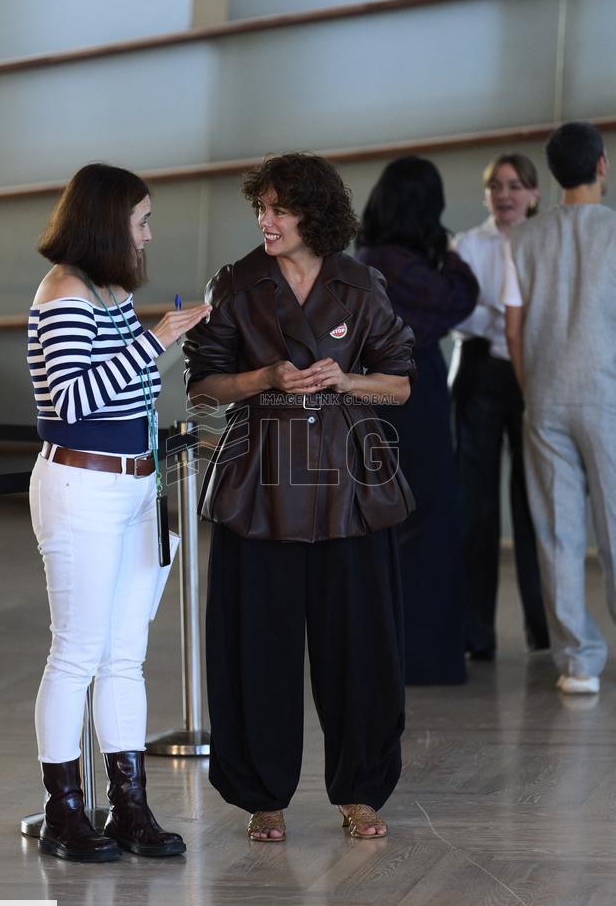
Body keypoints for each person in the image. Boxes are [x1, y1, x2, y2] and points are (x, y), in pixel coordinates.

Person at [183, 153, 416, 841]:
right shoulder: (237, 283)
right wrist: (264, 377)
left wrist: (345, 381)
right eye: (261, 207)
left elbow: (400, 383)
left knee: (362, 648)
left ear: (315, 214)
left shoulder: (361, 283)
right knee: (258, 646)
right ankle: (263, 796)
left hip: (352, 485)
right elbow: (203, 387)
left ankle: (361, 792)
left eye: (279, 208)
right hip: (262, 482)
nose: (266, 220)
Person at [27, 163, 210, 861]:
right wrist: (156, 339)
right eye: (142, 220)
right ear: (108, 222)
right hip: (83, 487)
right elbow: (73, 404)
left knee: (123, 656)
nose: (148, 234)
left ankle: (128, 807)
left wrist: (165, 341)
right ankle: (63, 811)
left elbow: (125, 388)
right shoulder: (65, 291)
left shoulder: (105, 291)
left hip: (134, 486)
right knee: (76, 653)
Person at [355, 156, 479, 684]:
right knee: (432, 516)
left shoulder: (365, 258)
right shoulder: (403, 264)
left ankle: (383, 650)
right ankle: (426, 655)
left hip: (374, 394)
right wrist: (450, 251)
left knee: (387, 517)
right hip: (416, 390)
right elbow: (461, 298)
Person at [503, 122, 615, 695]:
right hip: (608, 393)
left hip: (543, 394)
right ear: (601, 166)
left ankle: (578, 662)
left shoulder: (522, 239)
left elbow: (514, 330)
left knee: (558, 531)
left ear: (552, 175)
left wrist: (532, 389)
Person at [450, 154, 549, 660]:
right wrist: (503, 316)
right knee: (475, 508)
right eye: (496, 186)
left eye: (515, 186)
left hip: (537, 373)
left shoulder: (548, 241)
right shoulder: (466, 245)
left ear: (534, 194)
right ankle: (474, 634)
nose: (505, 195)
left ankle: (544, 629)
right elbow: (460, 313)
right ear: (486, 195)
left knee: (535, 502)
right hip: (481, 373)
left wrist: (498, 312)